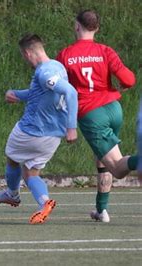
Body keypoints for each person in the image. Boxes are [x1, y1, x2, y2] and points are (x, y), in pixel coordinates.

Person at [0, 33, 78, 224]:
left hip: (32, 130)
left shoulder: (43, 72)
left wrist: (72, 127)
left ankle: (12, 193)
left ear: (28, 53)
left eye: (23, 56)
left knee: (12, 159)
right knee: (31, 173)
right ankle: (44, 202)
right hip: (53, 136)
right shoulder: (57, 67)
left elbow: (70, 92)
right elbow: (40, 93)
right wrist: (17, 95)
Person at [56, 9, 137, 222]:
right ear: (97, 29)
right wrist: (122, 84)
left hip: (92, 115)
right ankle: (102, 210)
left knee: (118, 168)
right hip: (113, 109)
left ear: (76, 26)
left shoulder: (65, 55)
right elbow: (129, 79)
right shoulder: (105, 51)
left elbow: (58, 89)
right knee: (102, 159)